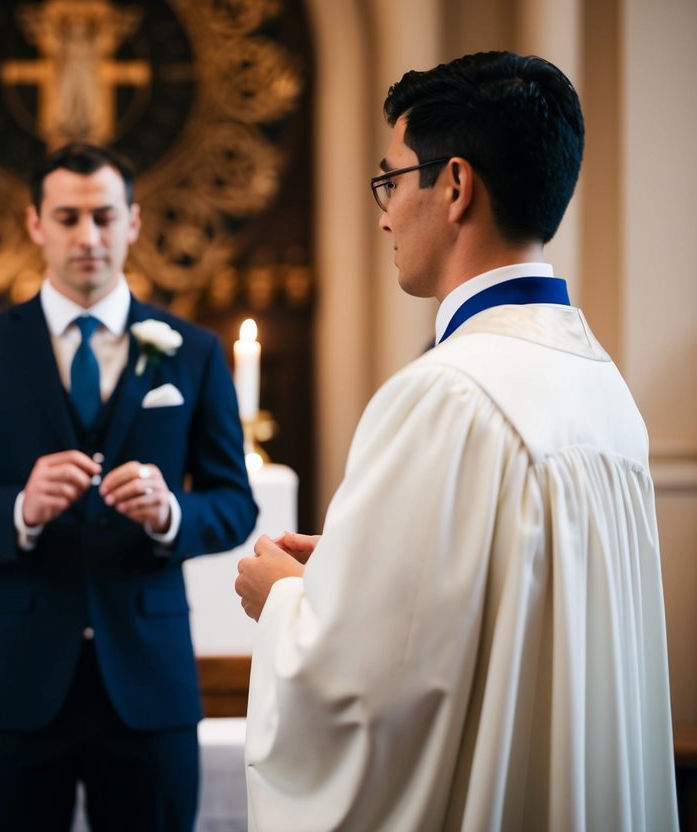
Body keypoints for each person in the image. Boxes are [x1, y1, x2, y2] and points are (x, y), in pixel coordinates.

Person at [235, 51, 678, 830]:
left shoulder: (444, 393)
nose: (382, 214)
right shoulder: (604, 389)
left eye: (390, 180)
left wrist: (284, 602)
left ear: (454, 185)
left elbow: (366, 695)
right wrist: (345, 571)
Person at [0, 142, 258, 831]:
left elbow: (233, 503)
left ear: (133, 221)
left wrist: (169, 515)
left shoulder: (192, 351)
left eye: (103, 217)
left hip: (150, 683)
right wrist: (16, 509)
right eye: (67, 217)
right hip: (16, 681)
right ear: (35, 223)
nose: (87, 237)